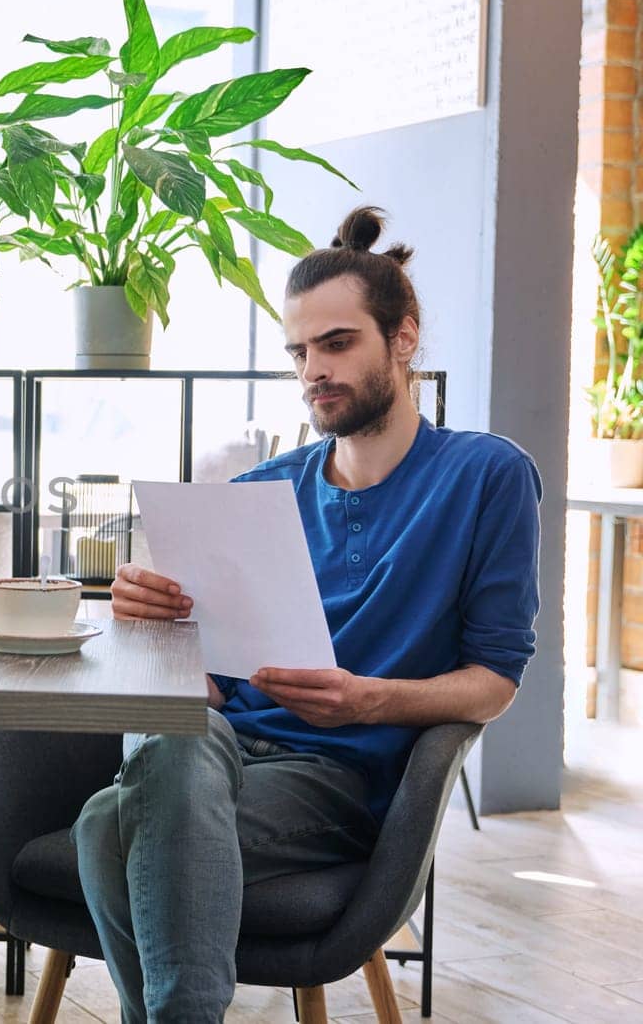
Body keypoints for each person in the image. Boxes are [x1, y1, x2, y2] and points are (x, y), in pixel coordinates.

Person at [71, 206, 540, 1021]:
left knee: (103, 829)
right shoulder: (264, 489)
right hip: (216, 750)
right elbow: (211, 689)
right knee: (173, 746)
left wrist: (371, 699)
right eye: (299, 351)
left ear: (403, 339)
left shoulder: (485, 475)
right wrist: (155, 628)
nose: (313, 369)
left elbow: (495, 681)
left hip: (338, 778)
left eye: (337, 343)